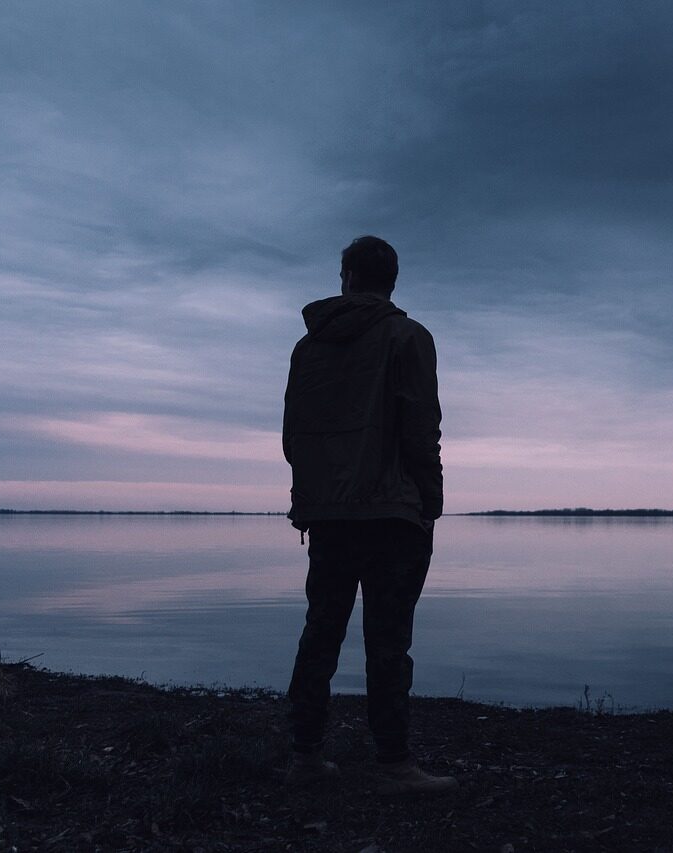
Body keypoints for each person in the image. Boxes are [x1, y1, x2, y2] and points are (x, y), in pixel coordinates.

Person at [281, 235, 457, 796]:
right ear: (392, 281)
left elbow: (292, 437)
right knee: (388, 642)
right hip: (392, 514)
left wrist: (315, 496)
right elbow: (421, 430)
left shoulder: (307, 349)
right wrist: (431, 502)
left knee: (320, 632)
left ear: (349, 278)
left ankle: (304, 756)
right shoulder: (409, 337)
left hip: (329, 515)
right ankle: (393, 765)